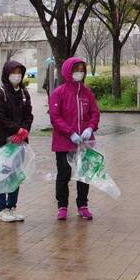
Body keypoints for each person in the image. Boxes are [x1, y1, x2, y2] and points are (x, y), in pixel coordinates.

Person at [49, 57, 101, 221]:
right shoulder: (59, 93)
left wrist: (90, 128)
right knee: (64, 173)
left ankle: (82, 205)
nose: (79, 73)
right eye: (76, 70)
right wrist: (70, 133)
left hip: (84, 142)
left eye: (81, 70)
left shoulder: (87, 93)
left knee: (84, 174)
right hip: (64, 142)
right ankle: (62, 206)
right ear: (67, 71)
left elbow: (95, 113)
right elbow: (55, 117)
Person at [0, 60, 34, 222]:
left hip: (20, 141)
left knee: (16, 174)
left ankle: (12, 206)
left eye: (19, 72)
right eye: (13, 72)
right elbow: (0, 116)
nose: (16, 75)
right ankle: (2, 209)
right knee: (2, 173)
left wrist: (24, 130)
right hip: (3, 140)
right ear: (6, 74)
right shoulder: (0, 93)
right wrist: (16, 129)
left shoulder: (24, 93)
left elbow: (28, 115)